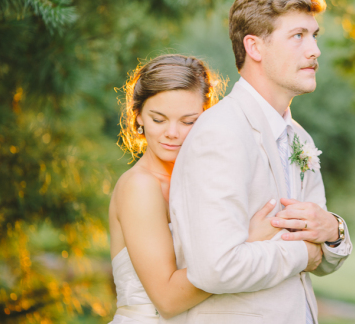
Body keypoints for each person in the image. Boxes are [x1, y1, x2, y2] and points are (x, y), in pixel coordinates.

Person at [166, 0, 353, 324]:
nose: (315, 50)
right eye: (298, 36)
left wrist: (333, 230)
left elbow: (323, 259)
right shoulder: (220, 132)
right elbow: (216, 269)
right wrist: (301, 253)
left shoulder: (299, 138)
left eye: (314, 35)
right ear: (254, 47)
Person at [108, 55, 287, 323]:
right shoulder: (140, 186)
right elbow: (167, 300)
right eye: (159, 119)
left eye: (188, 121)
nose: (172, 133)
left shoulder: (207, 179)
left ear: (208, 117)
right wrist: (247, 242)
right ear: (138, 117)